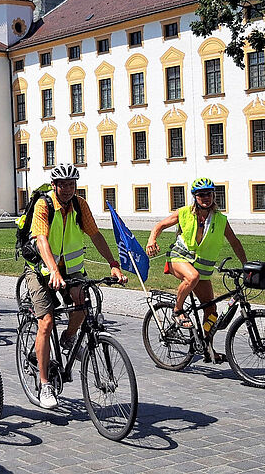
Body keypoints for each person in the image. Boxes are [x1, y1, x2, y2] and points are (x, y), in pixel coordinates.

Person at [22, 163, 126, 409]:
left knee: (83, 303)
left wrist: (113, 263)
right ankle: (45, 383)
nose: (68, 189)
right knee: (46, 323)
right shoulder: (43, 205)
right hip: (42, 269)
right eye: (64, 184)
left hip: (72, 269)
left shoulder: (80, 205)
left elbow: (95, 235)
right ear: (54, 185)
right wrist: (54, 271)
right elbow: (42, 240)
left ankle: (69, 339)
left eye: (72, 184)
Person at [145, 177, 247, 356]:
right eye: (201, 195)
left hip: (202, 268)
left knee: (211, 310)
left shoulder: (220, 220)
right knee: (192, 277)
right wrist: (152, 239)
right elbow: (160, 225)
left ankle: (208, 348)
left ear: (214, 195)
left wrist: (246, 265)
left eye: (208, 194)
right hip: (179, 258)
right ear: (195, 197)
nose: (205, 197)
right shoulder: (184, 213)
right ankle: (178, 310)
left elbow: (235, 242)